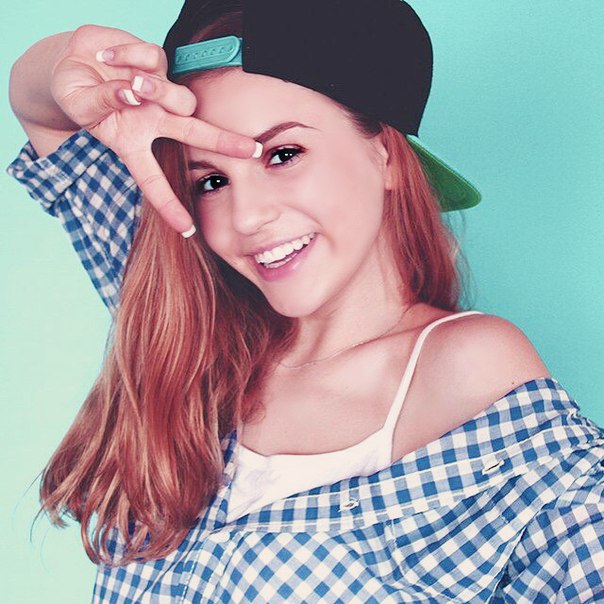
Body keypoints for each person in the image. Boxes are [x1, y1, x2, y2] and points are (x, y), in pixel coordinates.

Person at [8, 0, 604, 602]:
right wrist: (72, 62)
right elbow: (46, 115)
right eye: (210, 180)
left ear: (386, 154)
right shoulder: (189, 331)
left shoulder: (465, 366)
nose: (247, 216)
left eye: (283, 154)